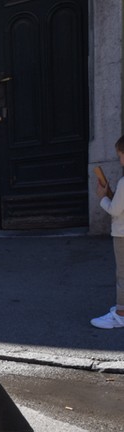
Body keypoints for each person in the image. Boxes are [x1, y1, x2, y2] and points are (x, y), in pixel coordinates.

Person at [90, 135, 124, 329]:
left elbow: (115, 210)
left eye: (120, 155)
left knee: (123, 275)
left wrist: (103, 197)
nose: (119, 159)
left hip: (122, 234)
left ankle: (121, 314)